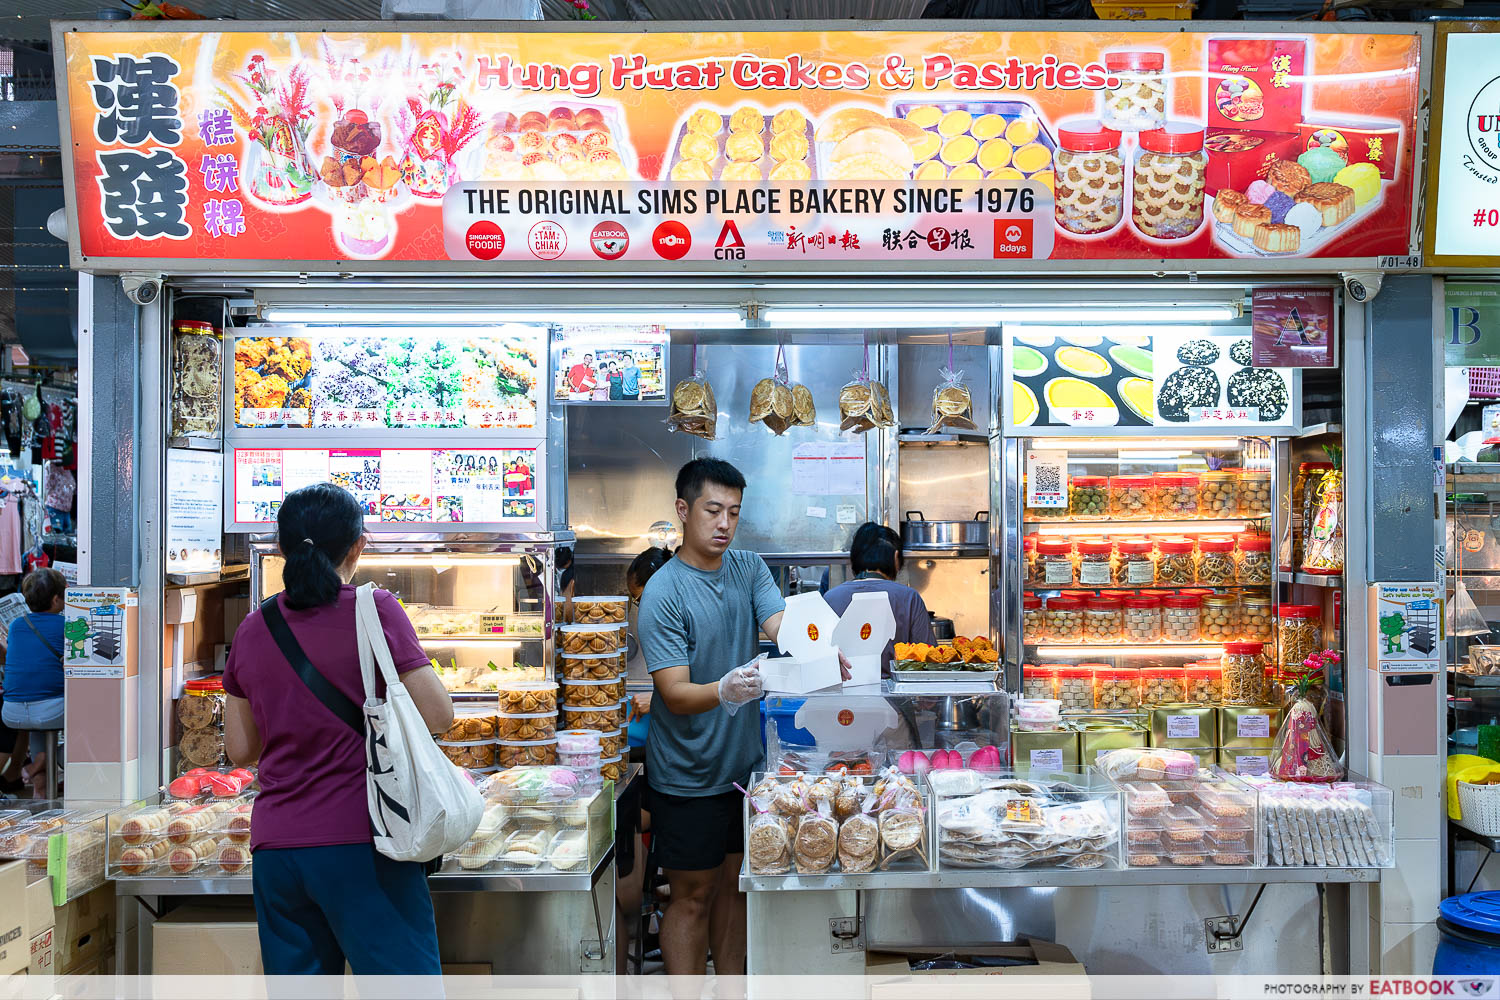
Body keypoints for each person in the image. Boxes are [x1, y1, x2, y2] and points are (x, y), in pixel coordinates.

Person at [222, 483, 455, 976]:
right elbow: (439, 715)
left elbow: (240, 748)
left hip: (278, 851)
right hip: (365, 843)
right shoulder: (375, 609)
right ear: (358, 545)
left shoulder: (252, 627)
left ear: (282, 548)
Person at [638, 459, 847, 975]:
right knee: (691, 897)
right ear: (683, 510)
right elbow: (674, 692)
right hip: (687, 776)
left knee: (737, 888)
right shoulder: (663, 593)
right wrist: (726, 689)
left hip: (743, 774)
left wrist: (823, 654)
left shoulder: (748, 567)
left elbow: (782, 625)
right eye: (713, 510)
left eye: (733, 512)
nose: (724, 523)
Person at [823, 522, 938, 675]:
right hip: (898, 696)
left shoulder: (831, 597)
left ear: (854, 559)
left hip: (844, 695)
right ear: (896, 557)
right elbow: (929, 657)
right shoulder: (909, 598)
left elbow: (821, 657)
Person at [0, 569, 66, 797]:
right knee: (86, 711)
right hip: (52, 710)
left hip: (12, 711)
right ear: (56, 599)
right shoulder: (66, 625)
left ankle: (41, 792)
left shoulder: (17, 626)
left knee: (40, 724)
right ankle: (49, 758)